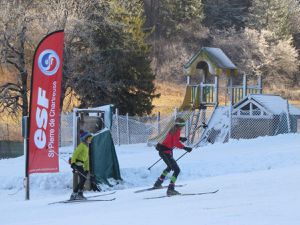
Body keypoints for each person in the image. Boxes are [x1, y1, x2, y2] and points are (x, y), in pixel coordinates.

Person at [153, 117, 192, 196]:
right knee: (176, 170)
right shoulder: (176, 131)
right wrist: (185, 148)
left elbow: (172, 138)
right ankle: (170, 189)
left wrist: (180, 138)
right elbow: (175, 143)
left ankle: (158, 183)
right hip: (166, 152)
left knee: (170, 167)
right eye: (183, 125)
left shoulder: (172, 129)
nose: (183, 127)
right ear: (179, 125)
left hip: (163, 151)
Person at [70, 131, 93, 200]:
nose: (90, 139)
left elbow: (86, 159)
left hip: (81, 165)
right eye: (89, 138)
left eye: (90, 138)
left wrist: (87, 169)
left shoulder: (86, 147)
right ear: (85, 138)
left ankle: (79, 194)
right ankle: (74, 194)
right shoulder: (81, 145)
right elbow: (75, 154)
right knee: (83, 178)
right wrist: (73, 164)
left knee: (83, 179)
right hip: (77, 164)